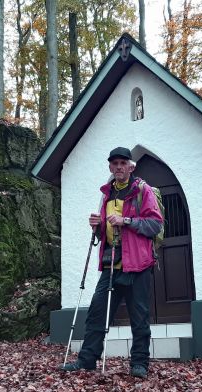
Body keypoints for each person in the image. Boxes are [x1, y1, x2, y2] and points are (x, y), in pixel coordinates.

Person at [61, 147, 163, 379]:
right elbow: (104, 236)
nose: (118, 167)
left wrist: (126, 220)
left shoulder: (142, 191)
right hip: (111, 264)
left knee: (139, 317)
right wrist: (97, 227)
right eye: (114, 163)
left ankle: (139, 364)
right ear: (110, 167)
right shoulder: (106, 194)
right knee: (97, 313)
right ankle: (87, 361)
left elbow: (155, 224)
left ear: (131, 167)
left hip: (138, 265)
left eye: (122, 163)